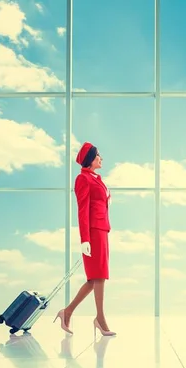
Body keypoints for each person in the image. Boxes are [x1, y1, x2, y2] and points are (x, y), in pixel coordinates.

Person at [53, 141, 116, 337]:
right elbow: (82, 211)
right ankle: (100, 318)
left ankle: (67, 312)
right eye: (98, 156)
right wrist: (85, 239)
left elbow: (101, 202)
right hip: (93, 232)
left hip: (102, 230)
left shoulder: (97, 179)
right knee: (99, 276)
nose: (101, 158)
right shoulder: (83, 179)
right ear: (90, 159)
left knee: (95, 278)